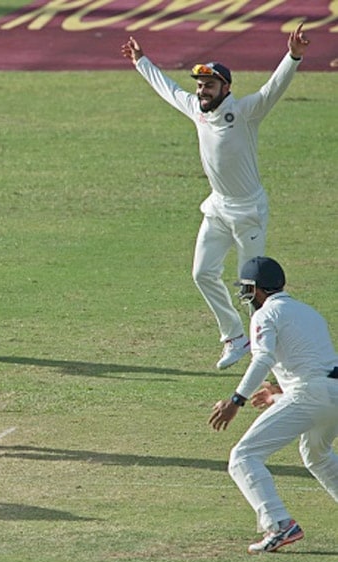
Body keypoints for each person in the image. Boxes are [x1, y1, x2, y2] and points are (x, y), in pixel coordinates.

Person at [120, 23, 310, 370]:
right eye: (200, 85)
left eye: (209, 85)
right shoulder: (197, 109)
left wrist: (293, 57)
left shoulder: (246, 112)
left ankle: (271, 356)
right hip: (218, 206)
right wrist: (141, 61)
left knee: (252, 288)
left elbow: (272, 89)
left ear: (226, 87)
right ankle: (235, 337)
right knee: (202, 273)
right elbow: (168, 89)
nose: (202, 91)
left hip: (249, 210)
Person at [208, 256, 338, 553]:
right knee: (316, 456)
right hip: (332, 393)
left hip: (312, 394)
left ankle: (279, 524)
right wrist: (279, 393)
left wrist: (236, 401)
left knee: (243, 456)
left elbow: (263, 359)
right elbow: (313, 367)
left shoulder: (265, 314)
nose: (245, 295)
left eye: (246, 289)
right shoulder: (308, 312)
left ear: (256, 289)